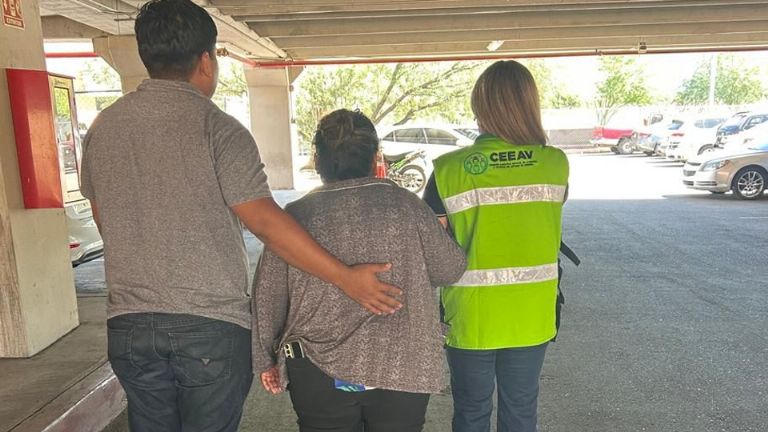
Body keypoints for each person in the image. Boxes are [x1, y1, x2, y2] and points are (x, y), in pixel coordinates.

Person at [80, 1, 402, 430]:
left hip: (129, 327)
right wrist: (346, 278)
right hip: (209, 326)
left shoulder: (104, 128)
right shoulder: (218, 128)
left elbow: (106, 217)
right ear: (205, 60)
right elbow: (265, 223)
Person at [253, 109, 467, 432]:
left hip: (317, 371)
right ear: (375, 157)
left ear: (318, 160)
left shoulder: (295, 217)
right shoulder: (408, 207)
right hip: (404, 365)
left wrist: (265, 357)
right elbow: (451, 269)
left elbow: (267, 296)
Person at [422, 60, 570, 432]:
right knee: (521, 410)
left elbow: (431, 247)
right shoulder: (555, 164)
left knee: (471, 411)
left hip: (471, 316)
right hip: (532, 314)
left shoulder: (448, 169)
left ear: (479, 106)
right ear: (529, 104)